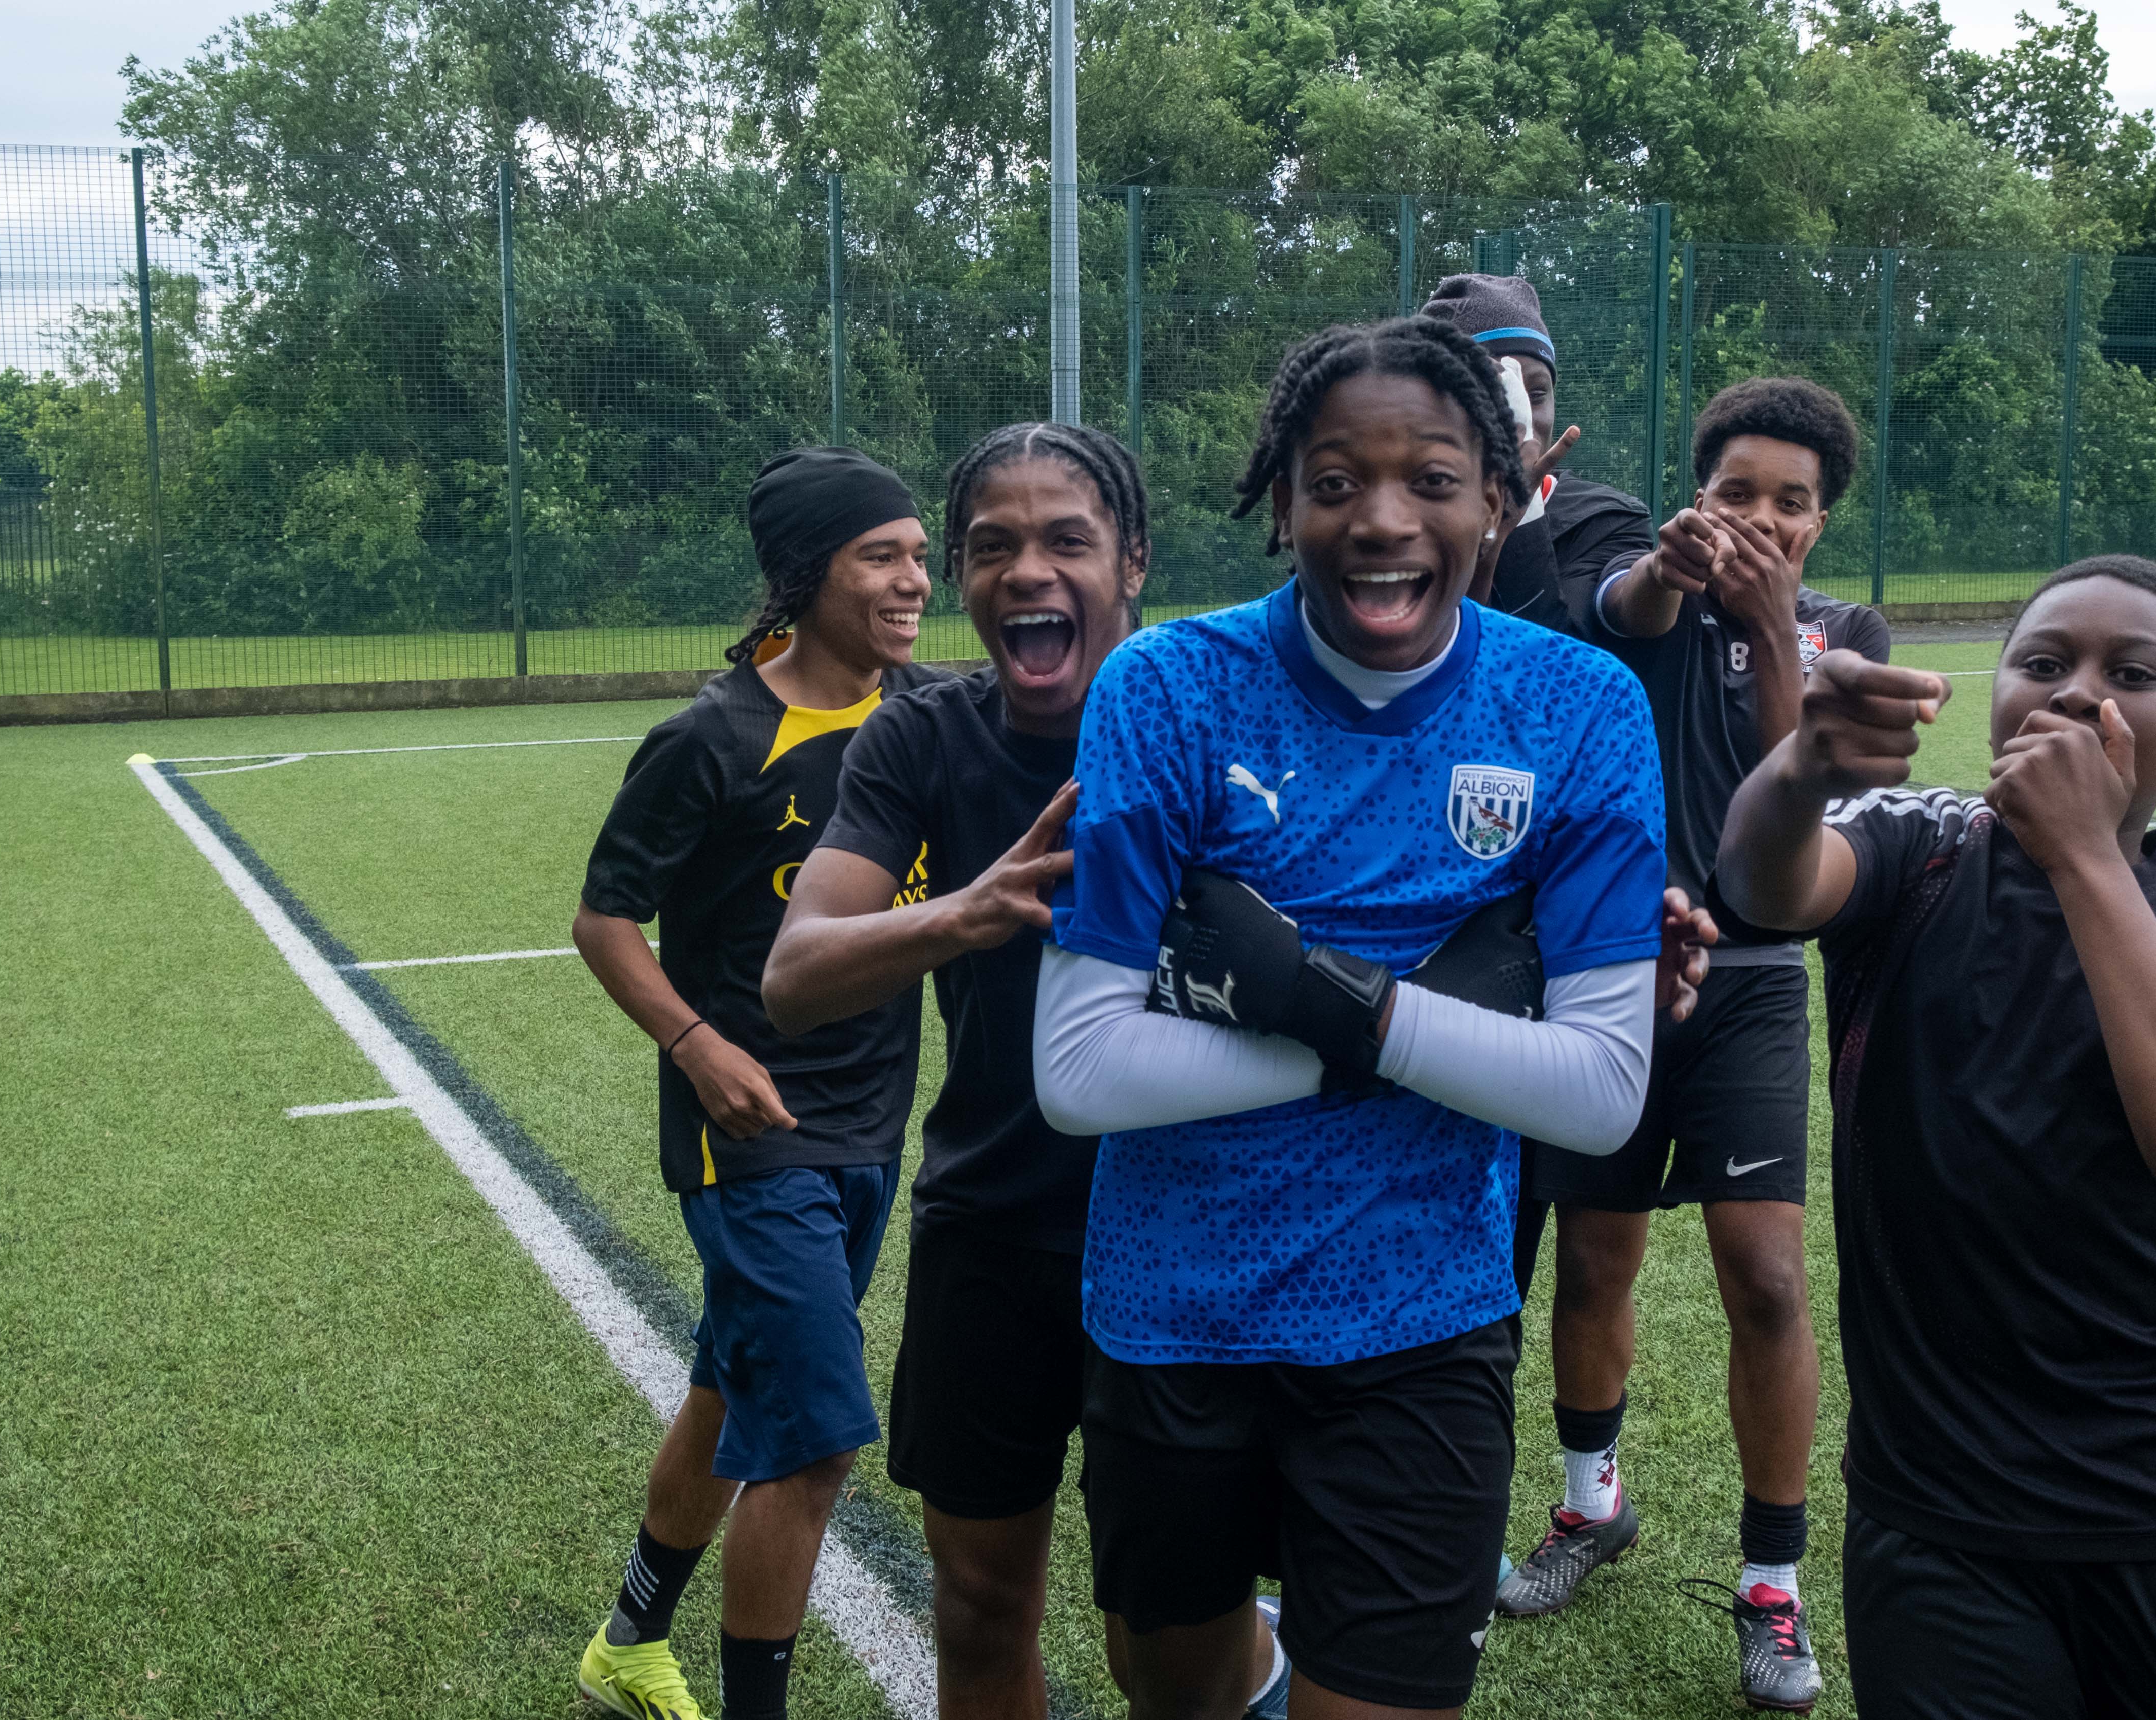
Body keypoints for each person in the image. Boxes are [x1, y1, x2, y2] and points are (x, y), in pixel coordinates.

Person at [1029, 316, 1677, 1720]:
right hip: (1170, 1313)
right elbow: (1080, 1069)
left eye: (1433, 481)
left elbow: (1602, 1089)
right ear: (1282, 503)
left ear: (1499, 504)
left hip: (1421, 1325)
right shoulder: (1167, 688)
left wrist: (1330, 1001)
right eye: (1335, 483)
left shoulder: (1580, 708)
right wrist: (1416, 1037)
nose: (1383, 521)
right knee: (1177, 1692)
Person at [1712, 555, 2156, 1719]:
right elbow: (1762, 879)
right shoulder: (1914, 849)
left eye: (2131, 672)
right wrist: (1800, 765)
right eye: (2041, 663)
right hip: (1939, 1506)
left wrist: (2088, 855)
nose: (2073, 691)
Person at [761, 424, 1301, 1717]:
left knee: (1162, 1646)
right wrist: (971, 907)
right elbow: (796, 973)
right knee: (982, 1601)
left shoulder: (1224, 726)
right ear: (961, 575)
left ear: (1132, 564)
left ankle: (1269, 1668)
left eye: (1066, 538)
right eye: (992, 545)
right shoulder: (921, 741)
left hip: (1191, 1236)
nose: (1027, 570)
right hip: (993, 1229)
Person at [1495, 376, 1888, 1713]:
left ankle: (1770, 1581)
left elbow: (1804, 797)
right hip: (1613, 974)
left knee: (1767, 1281)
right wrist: (1676, 574)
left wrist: (1772, 622)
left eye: (1791, 503)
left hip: (1753, 979)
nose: (1762, 520)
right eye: (1737, 495)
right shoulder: (1641, 585)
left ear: (1822, 523)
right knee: (1595, 1260)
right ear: (1696, 494)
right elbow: (1622, 612)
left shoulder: (1840, 629)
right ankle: (1588, 1506)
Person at [570, 447, 944, 1720]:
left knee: (732, 1381)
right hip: (751, 1135)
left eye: (917, 550)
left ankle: (628, 1638)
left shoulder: (929, 713)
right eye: (881, 555)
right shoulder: (713, 737)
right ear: (806, 577)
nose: (916, 577)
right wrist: (694, 1042)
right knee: (819, 1437)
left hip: (872, 1121)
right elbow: (605, 918)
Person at [1414, 272, 1655, 631]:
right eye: (1497, 393)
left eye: (1537, 393)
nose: (1522, 417)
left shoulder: (1605, 521)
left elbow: (1540, 660)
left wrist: (1661, 576)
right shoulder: (1395, 523)